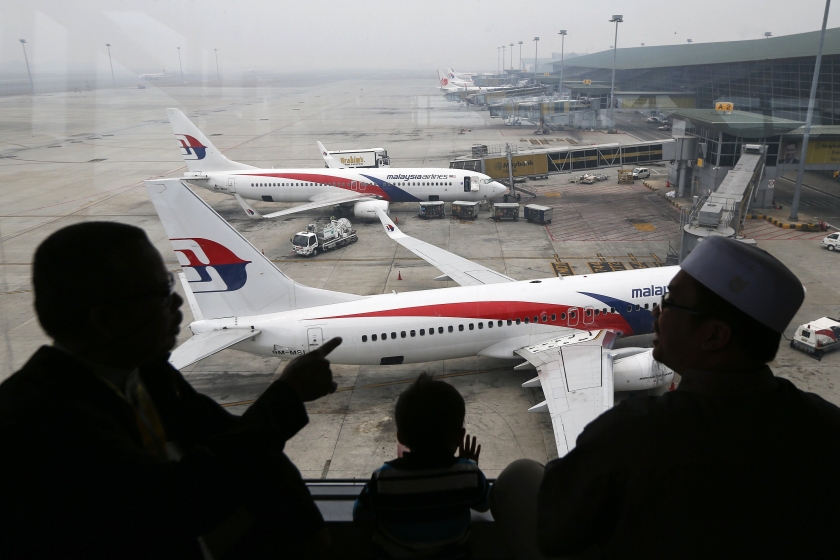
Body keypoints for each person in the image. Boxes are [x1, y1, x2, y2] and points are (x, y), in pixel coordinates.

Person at [0, 222, 341, 559]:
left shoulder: (148, 375)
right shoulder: (37, 422)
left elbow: (242, 447)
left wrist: (307, 530)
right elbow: (178, 499)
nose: (178, 301)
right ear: (105, 320)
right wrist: (286, 395)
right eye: (161, 292)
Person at [492, 236, 840, 559]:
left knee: (519, 476)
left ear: (715, 335)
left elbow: (554, 531)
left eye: (670, 303)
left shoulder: (631, 432)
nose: (657, 314)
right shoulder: (825, 424)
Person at [354, 373, 489, 559]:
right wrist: (467, 464)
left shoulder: (384, 477)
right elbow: (483, 505)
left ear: (400, 436)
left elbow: (360, 514)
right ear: (460, 437)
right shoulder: (468, 474)